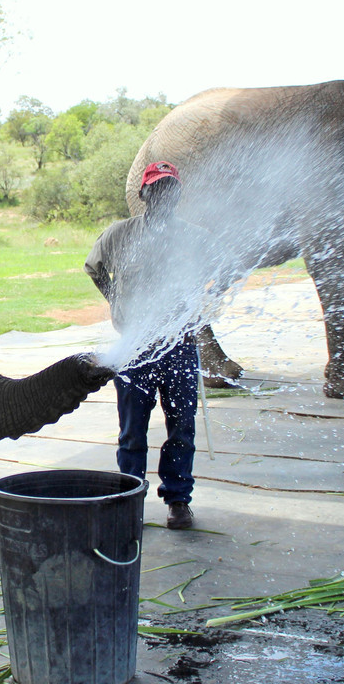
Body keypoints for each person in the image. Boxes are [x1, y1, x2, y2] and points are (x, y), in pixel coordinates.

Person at [84, 161, 203, 530]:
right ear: (143, 194)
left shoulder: (194, 237)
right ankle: (129, 501)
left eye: (171, 188)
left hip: (179, 346)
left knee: (181, 429)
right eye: (157, 188)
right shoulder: (119, 234)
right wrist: (116, 299)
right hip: (135, 348)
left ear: (178, 195)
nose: (164, 195)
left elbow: (222, 268)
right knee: (132, 431)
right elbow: (94, 267)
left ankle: (178, 501)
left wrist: (199, 305)